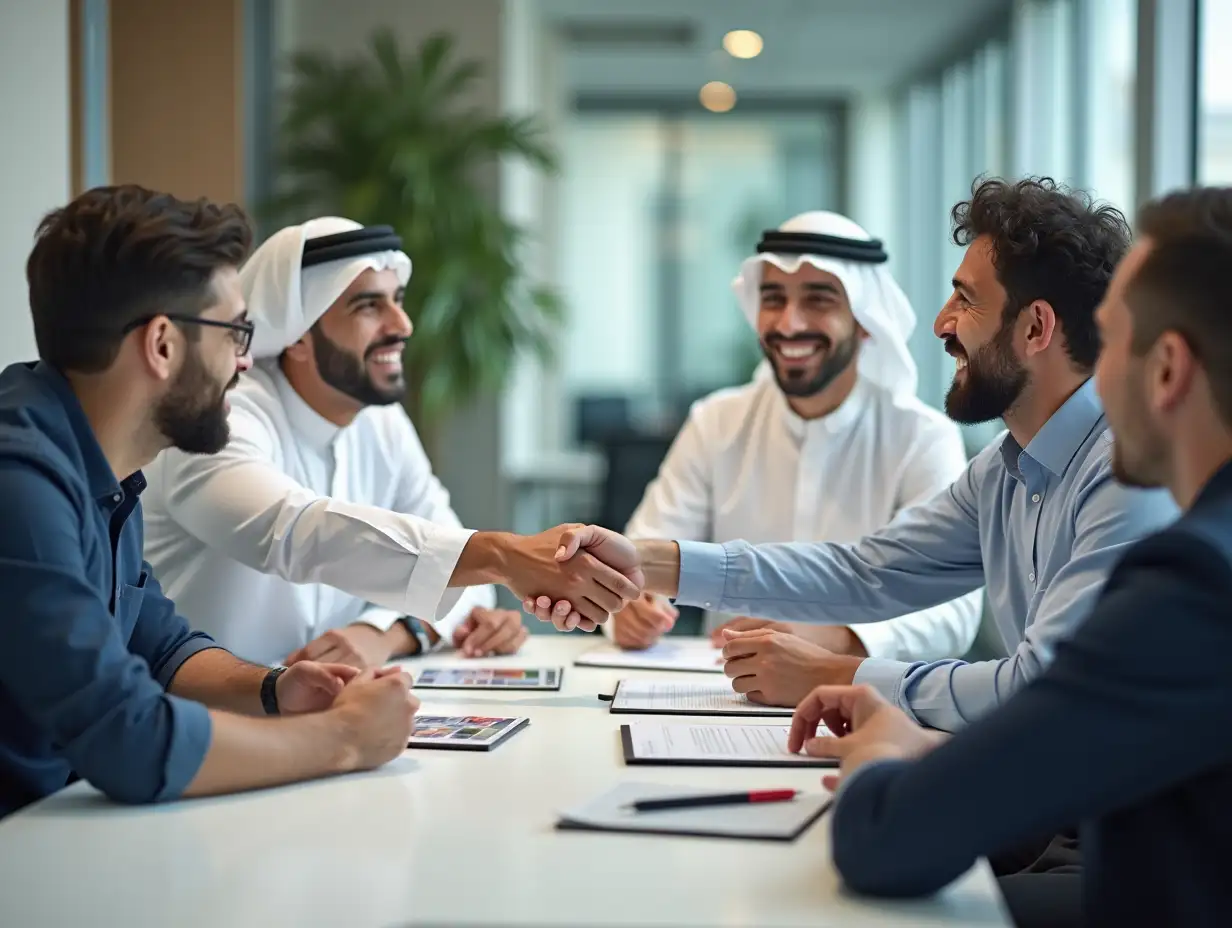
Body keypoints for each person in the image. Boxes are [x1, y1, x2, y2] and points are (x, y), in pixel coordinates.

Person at [0, 186, 635, 819]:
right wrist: (343, 739)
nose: (247, 360)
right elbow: (127, 737)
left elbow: (160, 646)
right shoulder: (22, 482)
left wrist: (278, 689)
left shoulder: (102, 468)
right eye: (235, 333)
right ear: (163, 345)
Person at [528, 177, 1178, 732]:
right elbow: (866, 570)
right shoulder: (1005, 468)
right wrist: (644, 562)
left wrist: (838, 671)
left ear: (1035, 327)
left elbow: (1041, 687)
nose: (941, 323)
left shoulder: (1126, 472)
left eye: (966, 299)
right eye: (773, 300)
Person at [786, 186, 1232, 927]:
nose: (1091, 368)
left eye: (1113, 337)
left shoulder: (1195, 586)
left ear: (1167, 370)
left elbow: (883, 842)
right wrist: (924, 749)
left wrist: (883, 761)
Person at [608, 212, 983, 701]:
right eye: (773, 300)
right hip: (719, 700)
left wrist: (838, 641)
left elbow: (951, 605)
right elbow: (644, 550)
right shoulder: (717, 421)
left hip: (867, 705)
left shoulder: (921, 436)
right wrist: (631, 604)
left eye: (818, 299)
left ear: (866, 321)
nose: (789, 323)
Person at [144, 218, 518, 668]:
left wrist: (382, 635)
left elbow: (469, 579)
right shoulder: (221, 416)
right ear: (297, 335)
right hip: (197, 719)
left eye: (397, 301)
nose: (402, 325)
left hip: (316, 711)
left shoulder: (382, 423)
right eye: (368, 307)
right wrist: (505, 556)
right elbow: (294, 532)